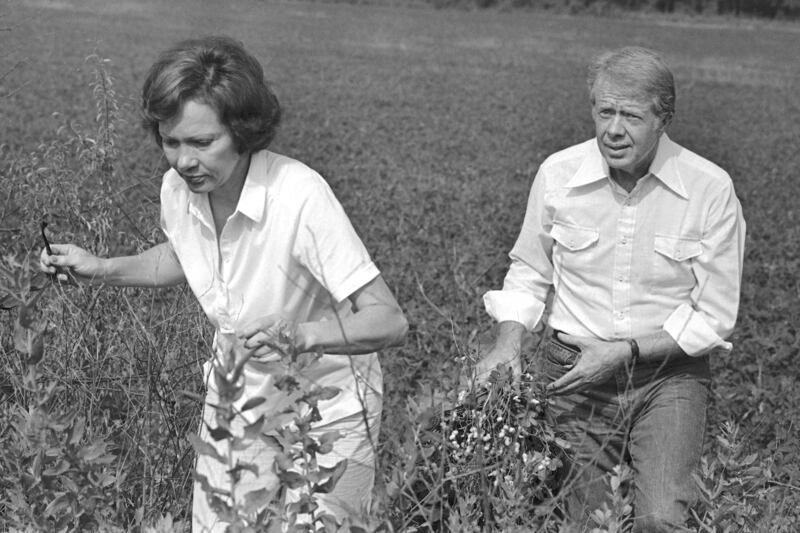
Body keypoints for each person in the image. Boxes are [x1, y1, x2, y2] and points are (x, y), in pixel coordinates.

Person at [40, 36, 408, 531]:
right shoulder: (179, 190)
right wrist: (101, 267)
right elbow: (185, 255)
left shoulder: (298, 196)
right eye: (171, 141)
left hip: (327, 416)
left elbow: (387, 319)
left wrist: (301, 337)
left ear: (242, 131)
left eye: (201, 142)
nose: (183, 161)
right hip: (237, 403)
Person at [477, 46, 745, 531]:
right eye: (605, 111)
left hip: (669, 376)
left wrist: (624, 351)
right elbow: (529, 271)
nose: (613, 129)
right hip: (571, 374)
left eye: (631, 116)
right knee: (585, 522)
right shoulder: (558, 174)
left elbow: (715, 315)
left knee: (660, 519)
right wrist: (507, 342)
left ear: (664, 119)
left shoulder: (710, 189)